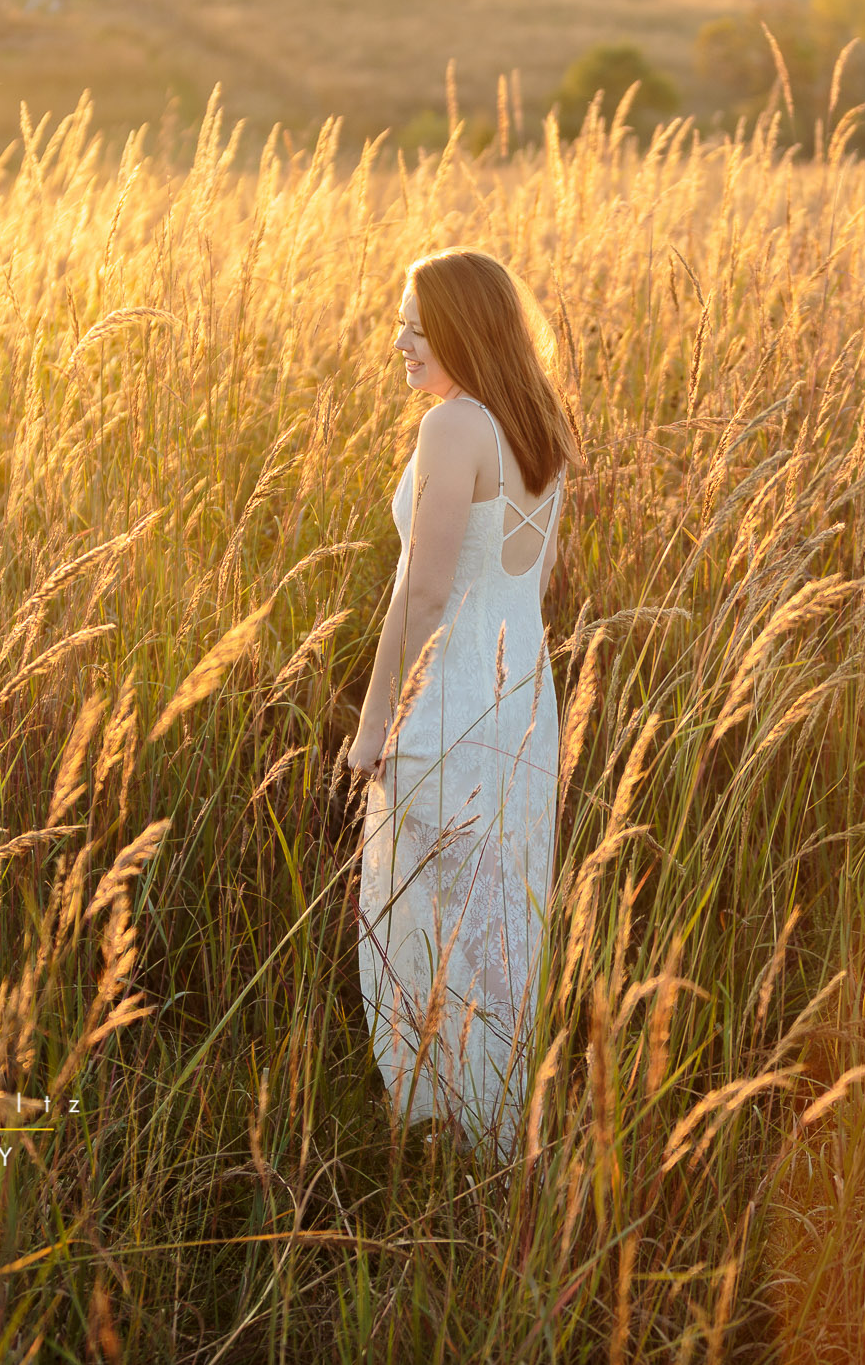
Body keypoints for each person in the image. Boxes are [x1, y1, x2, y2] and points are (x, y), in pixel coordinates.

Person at [345, 247, 580, 1156]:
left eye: (416, 324)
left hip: (450, 697)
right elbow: (534, 582)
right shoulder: (537, 424)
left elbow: (425, 591)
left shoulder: (453, 428)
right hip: (521, 688)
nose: (400, 341)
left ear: (461, 329)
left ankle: (468, 1137)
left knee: (439, 918)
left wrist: (372, 728)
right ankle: (497, 1134)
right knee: (497, 921)